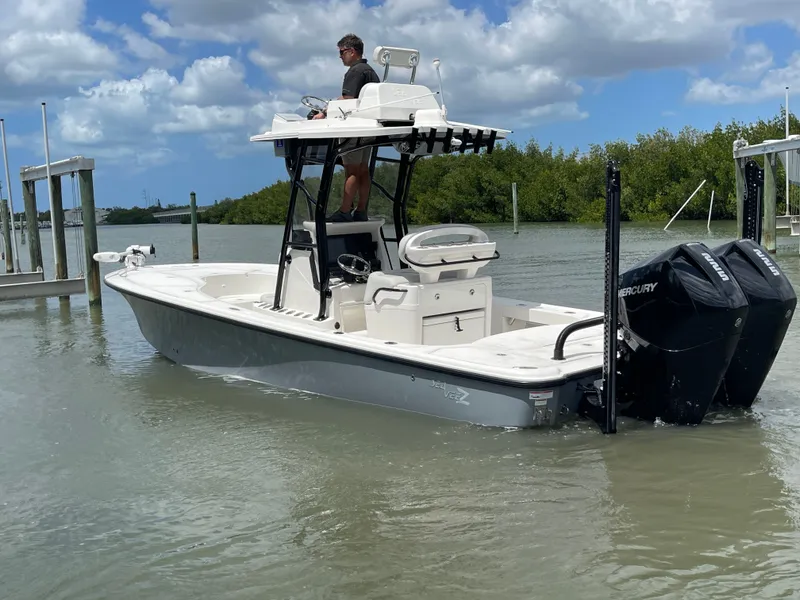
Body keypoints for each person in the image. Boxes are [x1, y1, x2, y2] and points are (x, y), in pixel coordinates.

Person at [313, 33, 380, 222]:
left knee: (351, 171)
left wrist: (324, 111)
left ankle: (343, 212)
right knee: (363, 170)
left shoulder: (355, 71)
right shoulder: (370, 71)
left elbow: (348, 100)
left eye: (342, 52)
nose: (340, 57)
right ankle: (361, 211)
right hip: (370, 129)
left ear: (351, 51)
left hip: (353, 129)